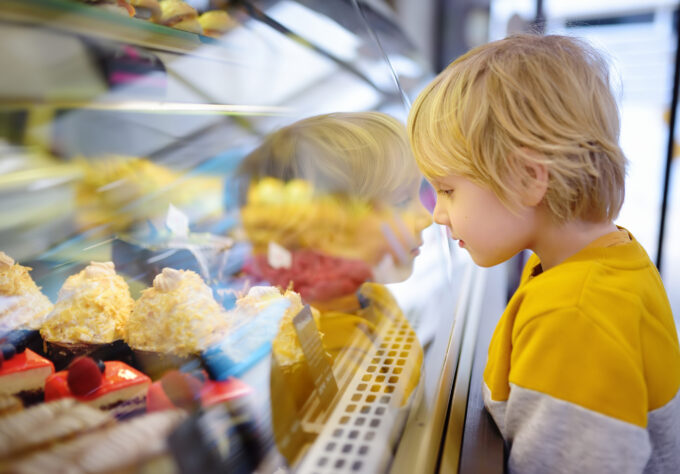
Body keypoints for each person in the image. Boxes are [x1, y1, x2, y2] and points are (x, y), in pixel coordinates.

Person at [407, 34, 679, 473]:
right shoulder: (586, 263)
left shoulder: (574, 315)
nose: (437, 214)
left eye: (447, 190)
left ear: (528, 179)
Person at [235, 111, 431, 464]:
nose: (427, 215)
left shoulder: (371, 297)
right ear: (326, 230)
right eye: (402, 201)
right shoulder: (319, 343)